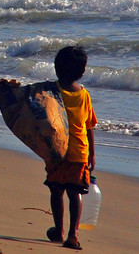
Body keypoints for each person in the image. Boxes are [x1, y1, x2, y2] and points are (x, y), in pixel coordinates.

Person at [45, 46, 97, 250]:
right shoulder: (84, 95)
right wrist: (92, 153)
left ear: (56, 69)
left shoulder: (51, 91)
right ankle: (73, 235)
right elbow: (89, 126)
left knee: (56, 189)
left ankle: (59, 230)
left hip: (57, 151)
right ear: (82, 72)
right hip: (79, 152)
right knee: (75, 192)